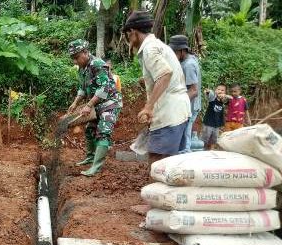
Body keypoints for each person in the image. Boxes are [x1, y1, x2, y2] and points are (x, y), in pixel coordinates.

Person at [122, 11, 190, 164]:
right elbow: (171, 74)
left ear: (132, 32)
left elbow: (165, 75)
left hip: (168, 114)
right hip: (177, 111)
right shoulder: (159, 45)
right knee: (169, 164)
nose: (127, 39)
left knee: (158, 163)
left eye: (127, 35)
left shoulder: (149, 49)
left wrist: (148, 107)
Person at [67, 39, 122, 177]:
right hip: (97, 104)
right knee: (90, 130)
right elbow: (82, 88)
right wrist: (75, 103)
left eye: (76, 57)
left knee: (103, 131)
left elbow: (104, 89)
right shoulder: (82, 69)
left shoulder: (98, 65)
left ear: (85, 52)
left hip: (110, 103)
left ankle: (96, 167)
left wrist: (88, 105)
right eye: (72, 58)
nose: (74, 61)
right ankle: (91, 157)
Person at [169, 35, 201, 153]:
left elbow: (194, 90)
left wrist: (176, 103)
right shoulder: (186, 60)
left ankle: (185, 156)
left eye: (174, 51)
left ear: (182, 51)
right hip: (185, 105)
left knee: (185, 134)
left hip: (190, 106)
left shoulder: (189, 65)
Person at [201, 85, 227, 150]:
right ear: (215, 90)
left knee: (214, 139)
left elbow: (231, 98)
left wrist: (225, 96)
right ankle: (203, 149)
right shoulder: (212, 98)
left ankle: (211, 150)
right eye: (218, 89)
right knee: (205, 139)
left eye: (222, 90)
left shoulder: (223, 101)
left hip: (216, 125)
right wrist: (208, 91)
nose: (220, 91)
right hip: (208, 123)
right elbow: (209, 93)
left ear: (225, 92)